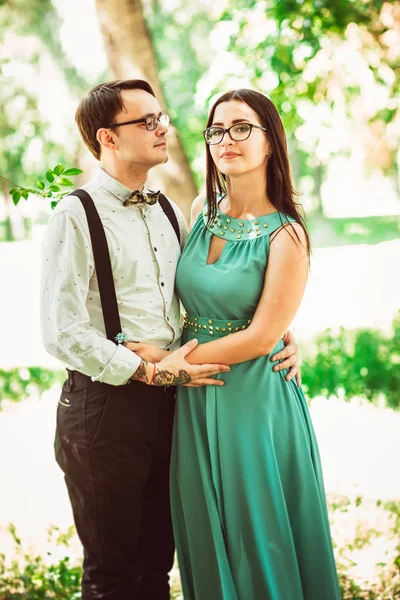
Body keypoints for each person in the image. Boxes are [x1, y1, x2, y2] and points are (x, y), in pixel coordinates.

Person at [40, 80, 301, 599]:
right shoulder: (76, 213)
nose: (165, 128)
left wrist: (279, 330)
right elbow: (61, 330)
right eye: (146, 122)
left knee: (158, 563)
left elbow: (212, 293)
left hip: (175, 405)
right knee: (112, 574)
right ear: (108, 139)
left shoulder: (170, 210)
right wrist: (146, 369)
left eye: (161, 116)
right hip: (104, 409)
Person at [170, 89, 341, 600]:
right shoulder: (202, 209)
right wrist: (173, 365)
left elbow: (264, 334)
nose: (227, 139)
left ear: (271, 141)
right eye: (218, 130)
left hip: (253, 399)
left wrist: (167, 364)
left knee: (256, 533)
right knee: (206, 525)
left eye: (242, 127)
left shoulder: (286, 234)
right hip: (195, 395)